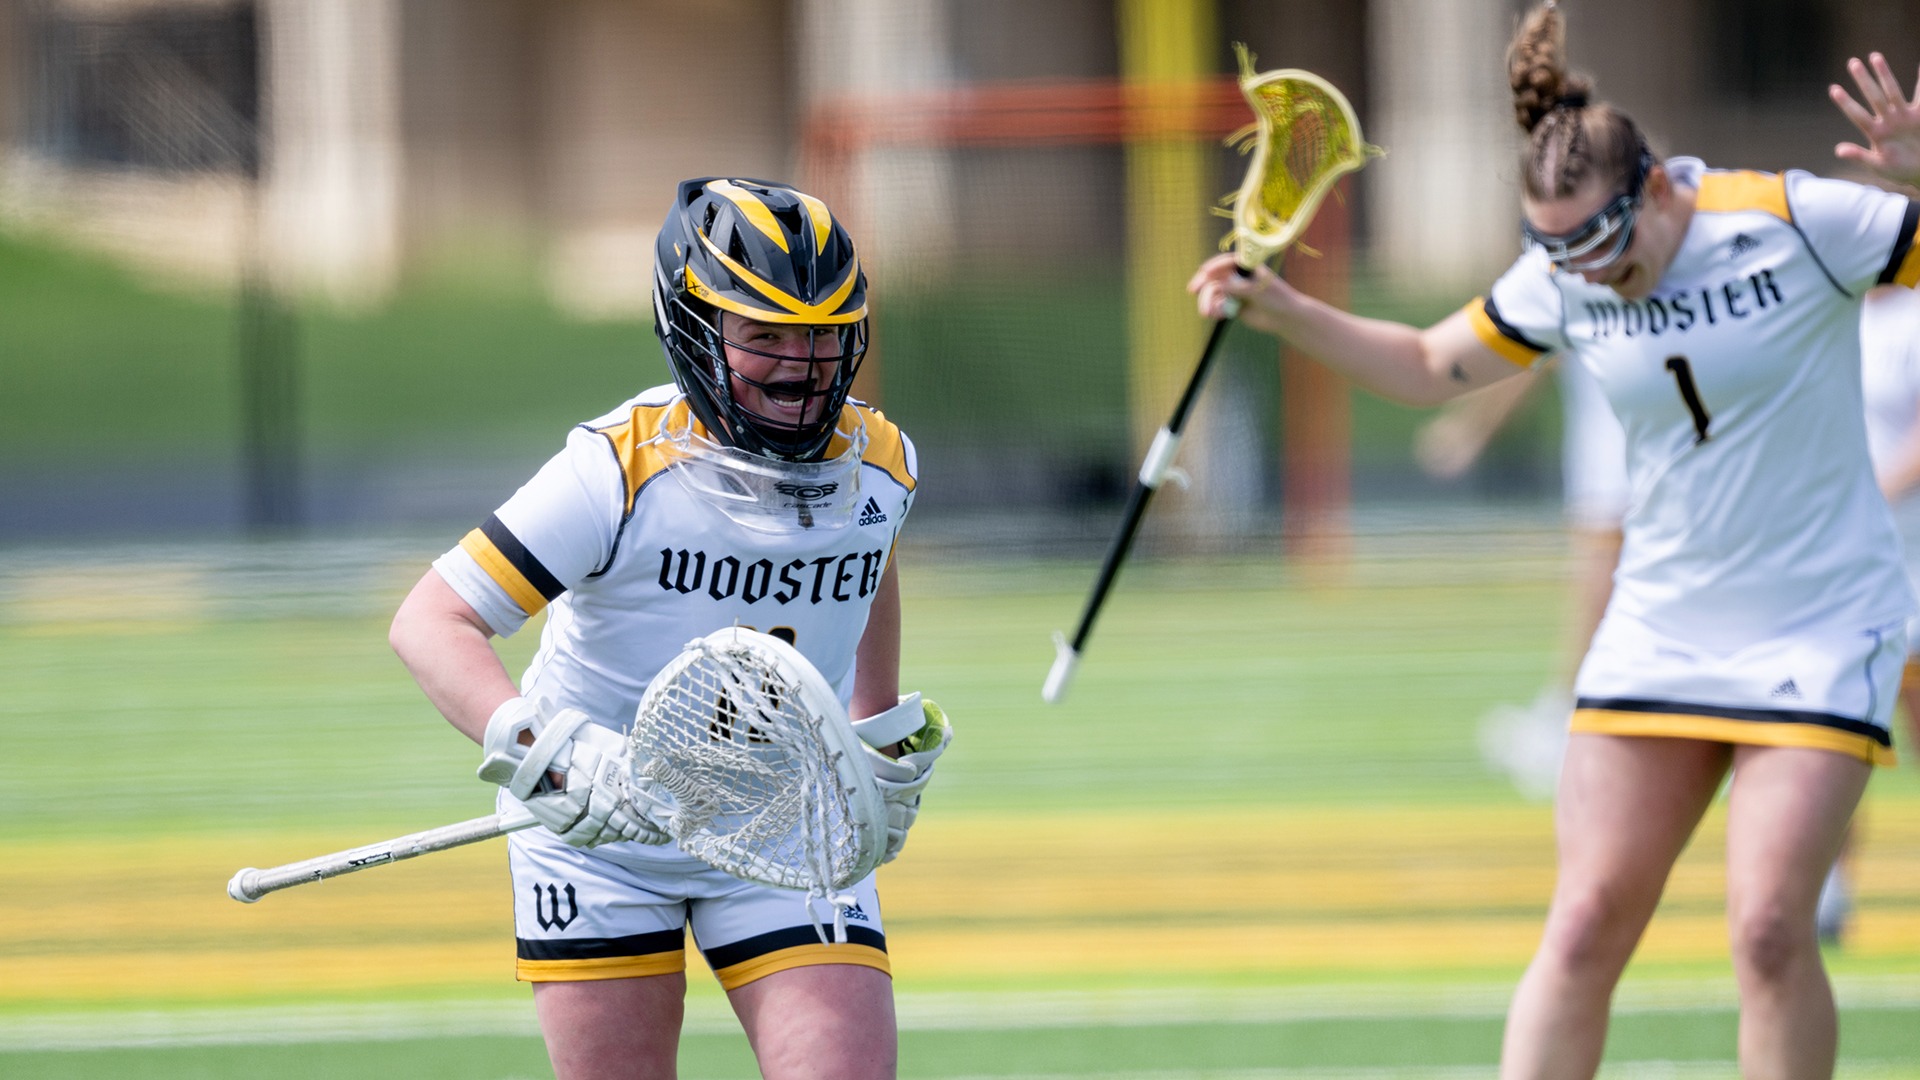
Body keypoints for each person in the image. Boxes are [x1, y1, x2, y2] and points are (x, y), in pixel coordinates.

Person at [1189, 6, 1920, 1077]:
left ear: (1662, 188)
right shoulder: (1569, 278)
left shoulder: (1797, 220)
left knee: (1769, 932)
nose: (1587, 271)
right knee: (1582, 926)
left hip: (1818, 629)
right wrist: (1284, 308)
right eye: (1557, 250)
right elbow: (1431, 363)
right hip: (1659, 630)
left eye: (1603, 241)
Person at [388, 176, 948, 1080]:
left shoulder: (880, 462)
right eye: (764, 333)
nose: (800, 365)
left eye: (820, 334)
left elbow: (871, 563)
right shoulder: (613, 468)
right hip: (599, 835)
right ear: (694, 326)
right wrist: (547, 753)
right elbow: (432, 620)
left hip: (782, 819)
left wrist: (870, 726)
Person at [1414, 358, 1626, 802]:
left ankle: (1562, 731)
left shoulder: (1575, 289)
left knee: (1600, 593)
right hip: (1637, 456)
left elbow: (1529, 354)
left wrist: (1470, 428)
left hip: (1622, 459)